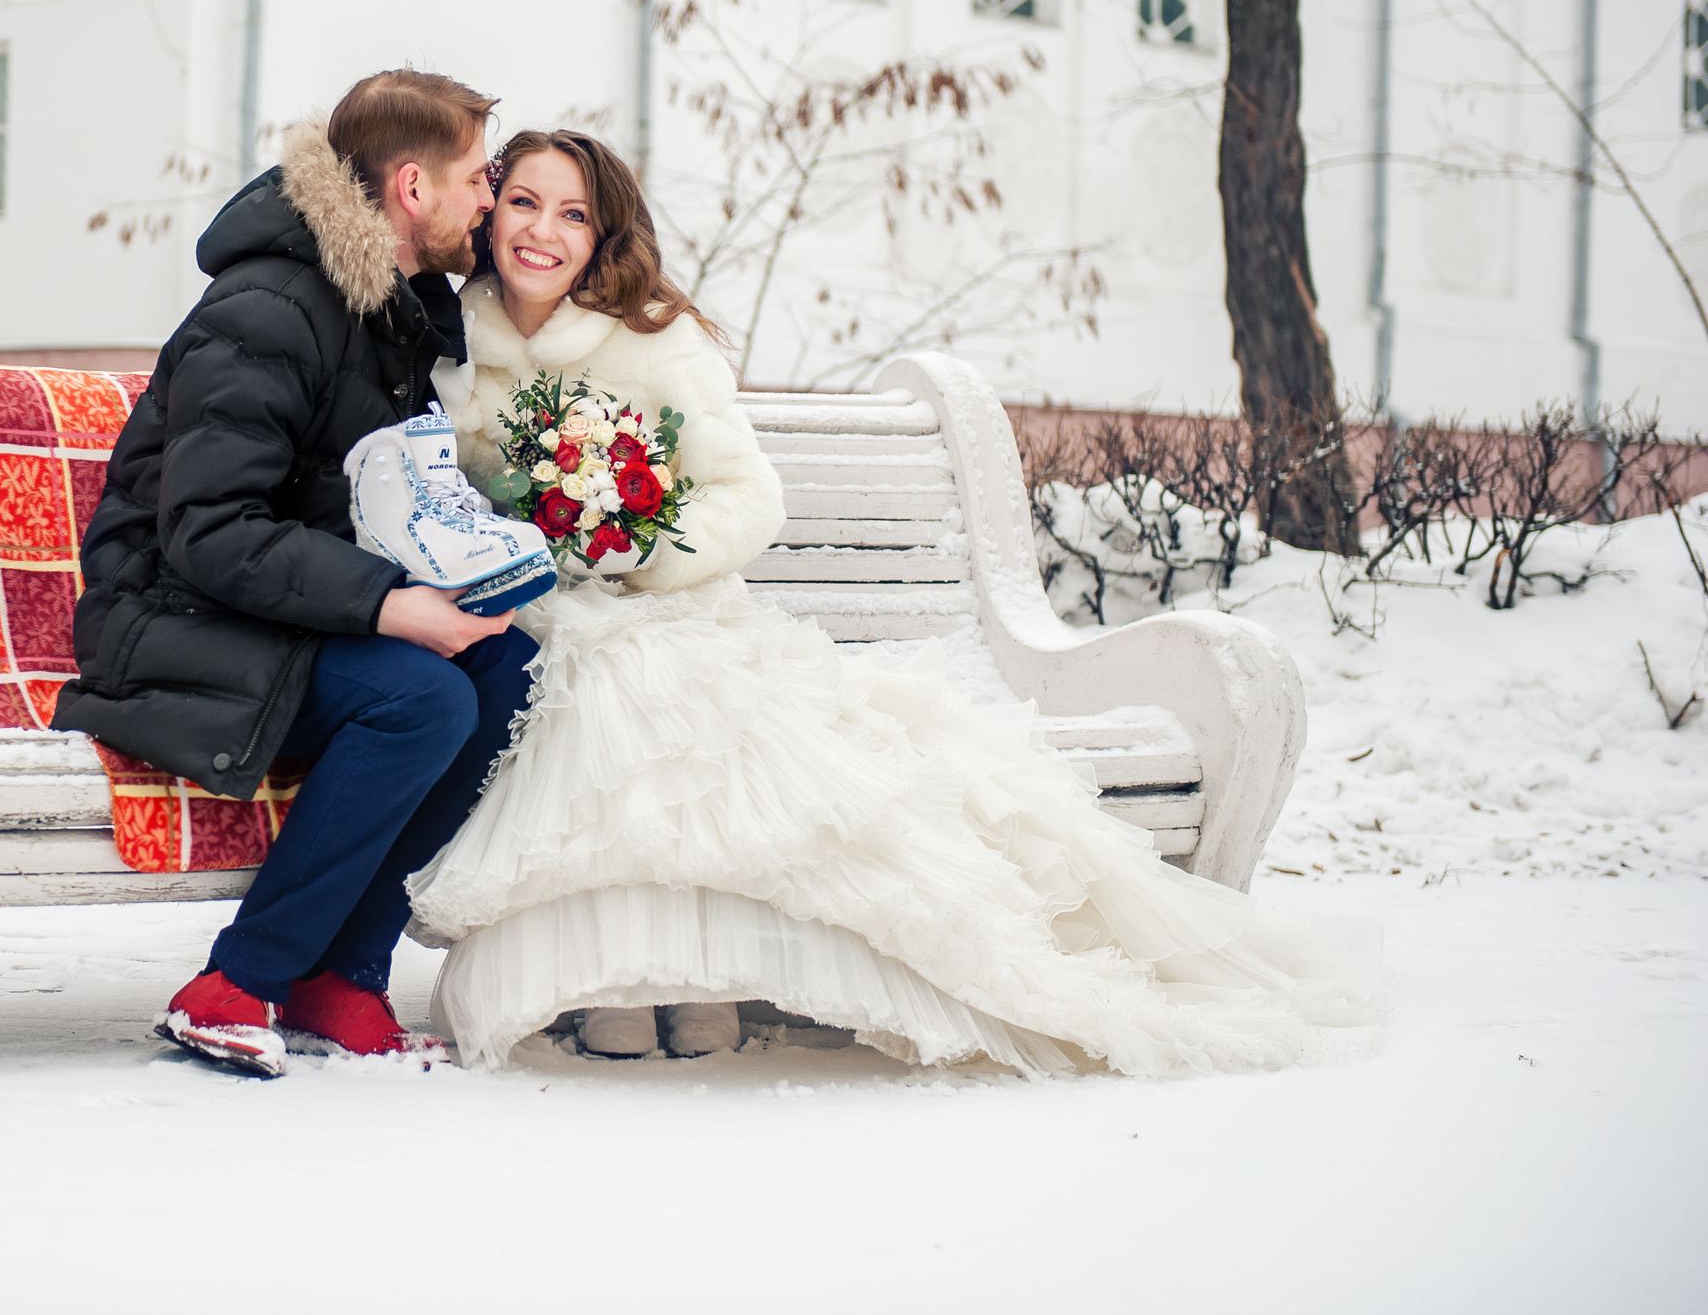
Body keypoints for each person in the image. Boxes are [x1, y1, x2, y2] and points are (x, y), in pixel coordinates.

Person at [405, 129, 1379, 1072]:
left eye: (572, 213)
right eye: (524, 202)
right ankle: (612, 973)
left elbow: (751, 499)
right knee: (584, 680)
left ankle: (699, 972)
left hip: (665, 600)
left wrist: (636, 548)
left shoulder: (654, 345)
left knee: (655, 683)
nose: (543, 229)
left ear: (603, 236)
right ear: (487, 214)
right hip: (529, 609)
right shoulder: (447, 348)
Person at [57, 70, 540, 1078]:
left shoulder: (388, 308)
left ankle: (343, 974)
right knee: (418, 701)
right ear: (412, 189)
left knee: (503, 673)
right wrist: (390, 607)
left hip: (268, 610)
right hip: (169, 614)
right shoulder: (273, 305)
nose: (489, 201)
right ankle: (236, 983)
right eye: (476, 179)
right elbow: (209, 529)